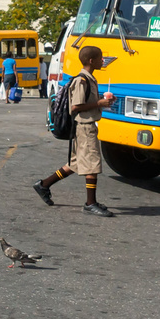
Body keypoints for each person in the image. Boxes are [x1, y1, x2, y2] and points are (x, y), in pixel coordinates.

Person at [32, 45, 117, 217]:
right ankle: (90, 203)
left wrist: (103, 101)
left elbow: (86, 102)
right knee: (92, 164)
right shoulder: (81, 81)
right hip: (84, 127)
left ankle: (43, 185)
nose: (103, 60)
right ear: (91, 61)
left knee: (75, 164)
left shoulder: (90, 79)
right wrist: (98, 104)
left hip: (86, 125)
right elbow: (76, 106)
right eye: (101, 58)